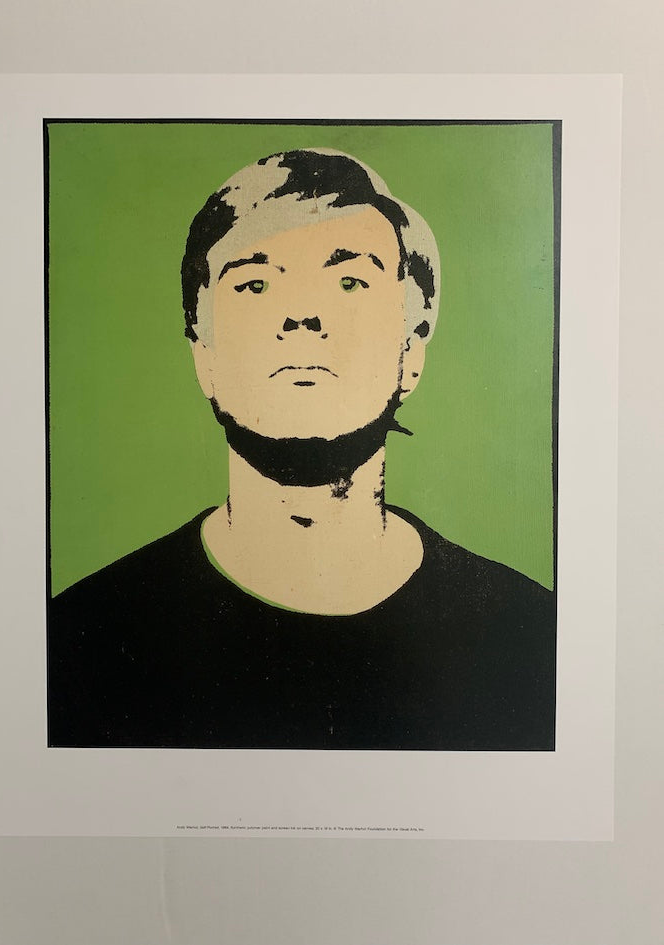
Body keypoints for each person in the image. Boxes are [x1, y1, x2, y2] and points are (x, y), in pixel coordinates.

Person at [48, 148, 556, 750]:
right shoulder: (78, 640)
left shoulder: (529, 634)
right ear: (202, 352)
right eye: (255, 284)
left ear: (412, 349)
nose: (302, 316)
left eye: (349, 281)